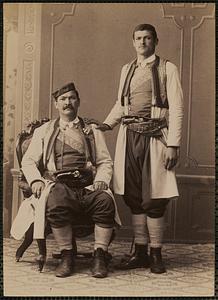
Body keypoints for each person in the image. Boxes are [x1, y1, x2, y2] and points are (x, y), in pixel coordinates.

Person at [96, 24, 183, 273]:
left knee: (155, 196)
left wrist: (174, 145)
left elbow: (176, 108)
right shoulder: (127, 69)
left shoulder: (168, 68)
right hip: (129, 136)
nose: (142, 42)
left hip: (156, 138)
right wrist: (106, 124)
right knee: (133, 195)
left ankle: (156, 254)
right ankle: (141, 252)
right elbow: (121, 103)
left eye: (147, 38)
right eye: (138, 38)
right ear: (133, 42)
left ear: (156, 40)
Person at [13, 81, 121, 278]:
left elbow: (105, 161)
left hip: (87, 185)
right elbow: (28, 162)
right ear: (56, 104)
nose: (67, 102)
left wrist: (102, 180)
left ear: (78, 102)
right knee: (56, 203)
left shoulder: (92, 130)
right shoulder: (44, 130)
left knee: (105, 201)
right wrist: (36, 180)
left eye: (72, 98)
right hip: (59, 185)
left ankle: (99, 255)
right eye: (62, 99)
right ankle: (67, 255)